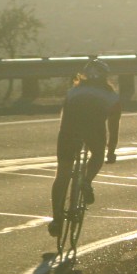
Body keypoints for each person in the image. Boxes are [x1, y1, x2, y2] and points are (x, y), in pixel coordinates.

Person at [48, 59, 122, 237]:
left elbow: (64, 118)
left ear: (84, 76)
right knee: (97, 155)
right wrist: (110, 151)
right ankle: (86, 181)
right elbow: (113, 128)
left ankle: (57, 219)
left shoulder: (73, 91)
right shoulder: (112, 97)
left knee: (62, 174)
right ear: (106, 78)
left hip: (69, 130)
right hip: (94, 131)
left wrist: (66, 139)